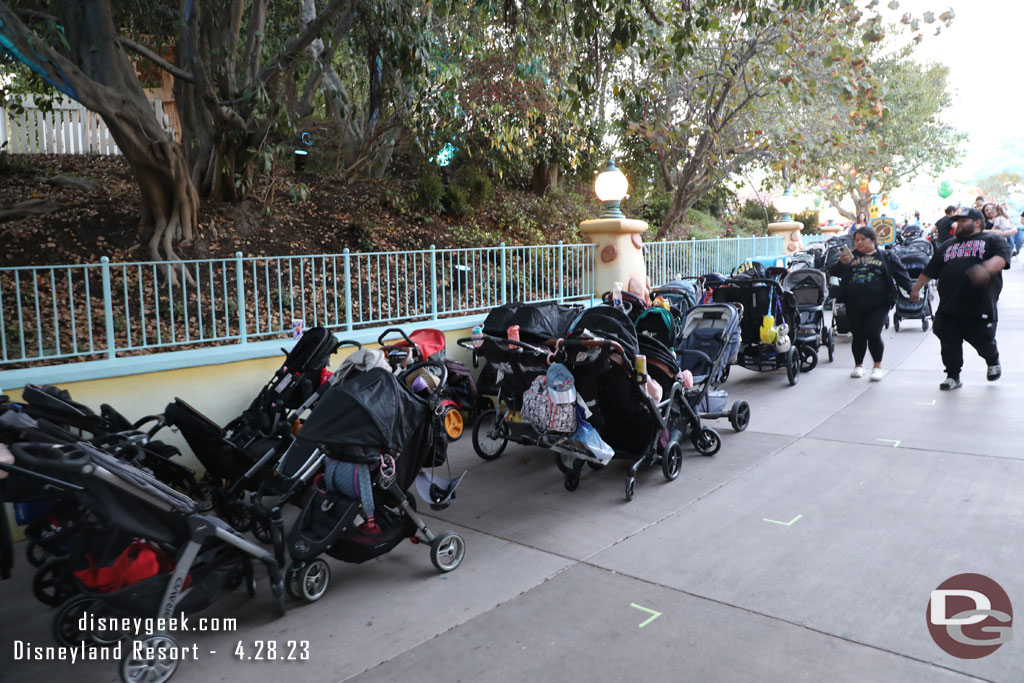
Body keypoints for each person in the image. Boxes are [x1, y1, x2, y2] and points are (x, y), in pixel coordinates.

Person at [909, 207, 1011, 390]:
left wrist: (985, 268)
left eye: (964, 220)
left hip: (979, 304)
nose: (958, 224)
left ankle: (992, 359)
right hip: (949, 304)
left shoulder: (992, 239)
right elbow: (930, 270)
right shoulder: (948, 244)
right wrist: (916, 289)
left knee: (982, 339)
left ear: (978, 222)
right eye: (957, 221)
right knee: (948, 340)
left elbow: (1001, 259)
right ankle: (953, 375)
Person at [829, 226, 913, 381]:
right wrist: (841, 263)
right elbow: (833, 272)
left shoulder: (886, 256)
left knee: (873, 333)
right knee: (858, 335)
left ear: (873, 239)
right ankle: (859, 365)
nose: (859, 242)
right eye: (856, 240)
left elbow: (901, 274)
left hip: (879, 303)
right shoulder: (849, 256)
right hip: (854, 302)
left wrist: (911, 290)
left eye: (863, 239)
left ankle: (877, 366)